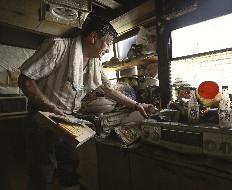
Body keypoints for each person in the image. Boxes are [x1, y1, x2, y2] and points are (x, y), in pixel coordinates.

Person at [18, 15, 153, 190]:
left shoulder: (95, 61)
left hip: (67, 119)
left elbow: (108, 89)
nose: (109, 50)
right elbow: (25, 79)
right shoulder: (58, 47)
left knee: (70, 168)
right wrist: (50, 107)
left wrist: (137, 105)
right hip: (43, 117)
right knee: (43, 173)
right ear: (93, 38)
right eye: (108, 43)